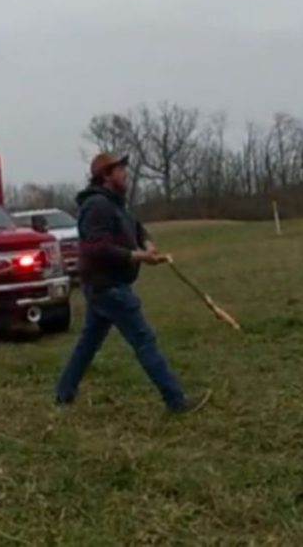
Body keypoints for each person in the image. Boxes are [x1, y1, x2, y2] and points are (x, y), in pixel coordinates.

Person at [55, 153, 210, 414]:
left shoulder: (115, 204)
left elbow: (136, 228)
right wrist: (139, 256)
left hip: (104, 287)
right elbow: (97, 249)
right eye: (120, 169)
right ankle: (176, 401)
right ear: (106, 175)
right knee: (144, 340)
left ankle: (63, 394)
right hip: (108, 287)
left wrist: (148, 244)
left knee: (88, 343)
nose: (125, 172)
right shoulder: (97, 207)